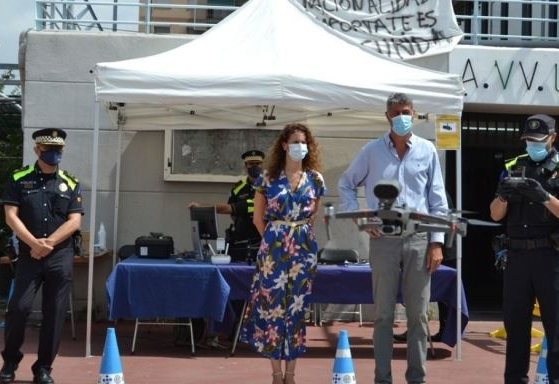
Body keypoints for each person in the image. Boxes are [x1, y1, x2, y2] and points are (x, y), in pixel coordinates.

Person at [338, 92, 449, 384]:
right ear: (387, 116)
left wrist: (437, 242)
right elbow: (346, 184)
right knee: (384, 315)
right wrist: (361, 218)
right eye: (396, 112)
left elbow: (437, 200)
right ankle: (382, 379)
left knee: (419, 316)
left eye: (407, 111)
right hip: (384, 240)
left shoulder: (427, 150)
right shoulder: (372, 151)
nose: (402, 117)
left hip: (419, 239)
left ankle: (416, 378)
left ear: (414, 114)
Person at [489, 114, 559, 384]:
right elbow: (495, 214)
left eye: (538, 140)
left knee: (556, 330)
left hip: (550, 257)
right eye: (528, 140)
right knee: (516, 328)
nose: (532, 145)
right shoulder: (512, 165)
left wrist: (544, 196)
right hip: (517, 257)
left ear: (552, 138)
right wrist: (505, 195)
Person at [239, 123, 326, 384]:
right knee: (273, 308)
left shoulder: (316, 179)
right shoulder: (267, 178)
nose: (301, 146)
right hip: (274, 248)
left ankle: (292, 374)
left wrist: (299, 238)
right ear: (284, 145)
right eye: (295, 141)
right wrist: (276, 238)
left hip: (303, 249)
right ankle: (276, 374)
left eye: (304, 142)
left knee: (297, 310)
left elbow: (313, 216)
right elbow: (257, 219)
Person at [0, 128, 83, 384]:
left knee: (55, 313)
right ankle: (10, 361)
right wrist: (34, 243)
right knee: (19, 308)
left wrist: (49, 243)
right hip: (29, 255)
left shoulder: (70, 182)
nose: (53, 155)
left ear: (62, 152)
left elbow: (75, 220)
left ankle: (44, 367)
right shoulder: (18, 178)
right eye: (48, 150)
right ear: (37, 150)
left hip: (60, 256)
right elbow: (10, 215)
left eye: (57, 151)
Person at [188, 149, 265, 262]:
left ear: (262, 165)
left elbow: (228, 208)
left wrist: (201, 206)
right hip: (241, 240)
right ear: (245, 166)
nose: (254, 167)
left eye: (257, 163)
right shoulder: (238, 187)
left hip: (262, 240)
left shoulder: (269, 186)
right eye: (251, 164)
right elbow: (231, 211)